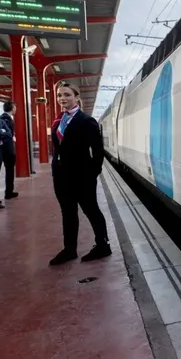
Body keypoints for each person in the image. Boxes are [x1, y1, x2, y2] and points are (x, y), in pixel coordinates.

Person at [49, 83, 112, 265]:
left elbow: (98, 151)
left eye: (67, 95)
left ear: (77, 97)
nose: (62, 98)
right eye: (59, 95)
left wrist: (92, 174)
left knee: (91, 210)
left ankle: (103, 245)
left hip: (82, 176)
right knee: (67, 212)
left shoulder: (87, 121)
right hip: (61, 175)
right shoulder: (59, 120)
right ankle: (69, 249)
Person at [0, 101, 18, 200]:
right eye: (15, 107)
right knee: (9, 170)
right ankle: (8, 192)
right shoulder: (7, 119)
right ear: (13, 108)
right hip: (7, 149)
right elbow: (6, 134)